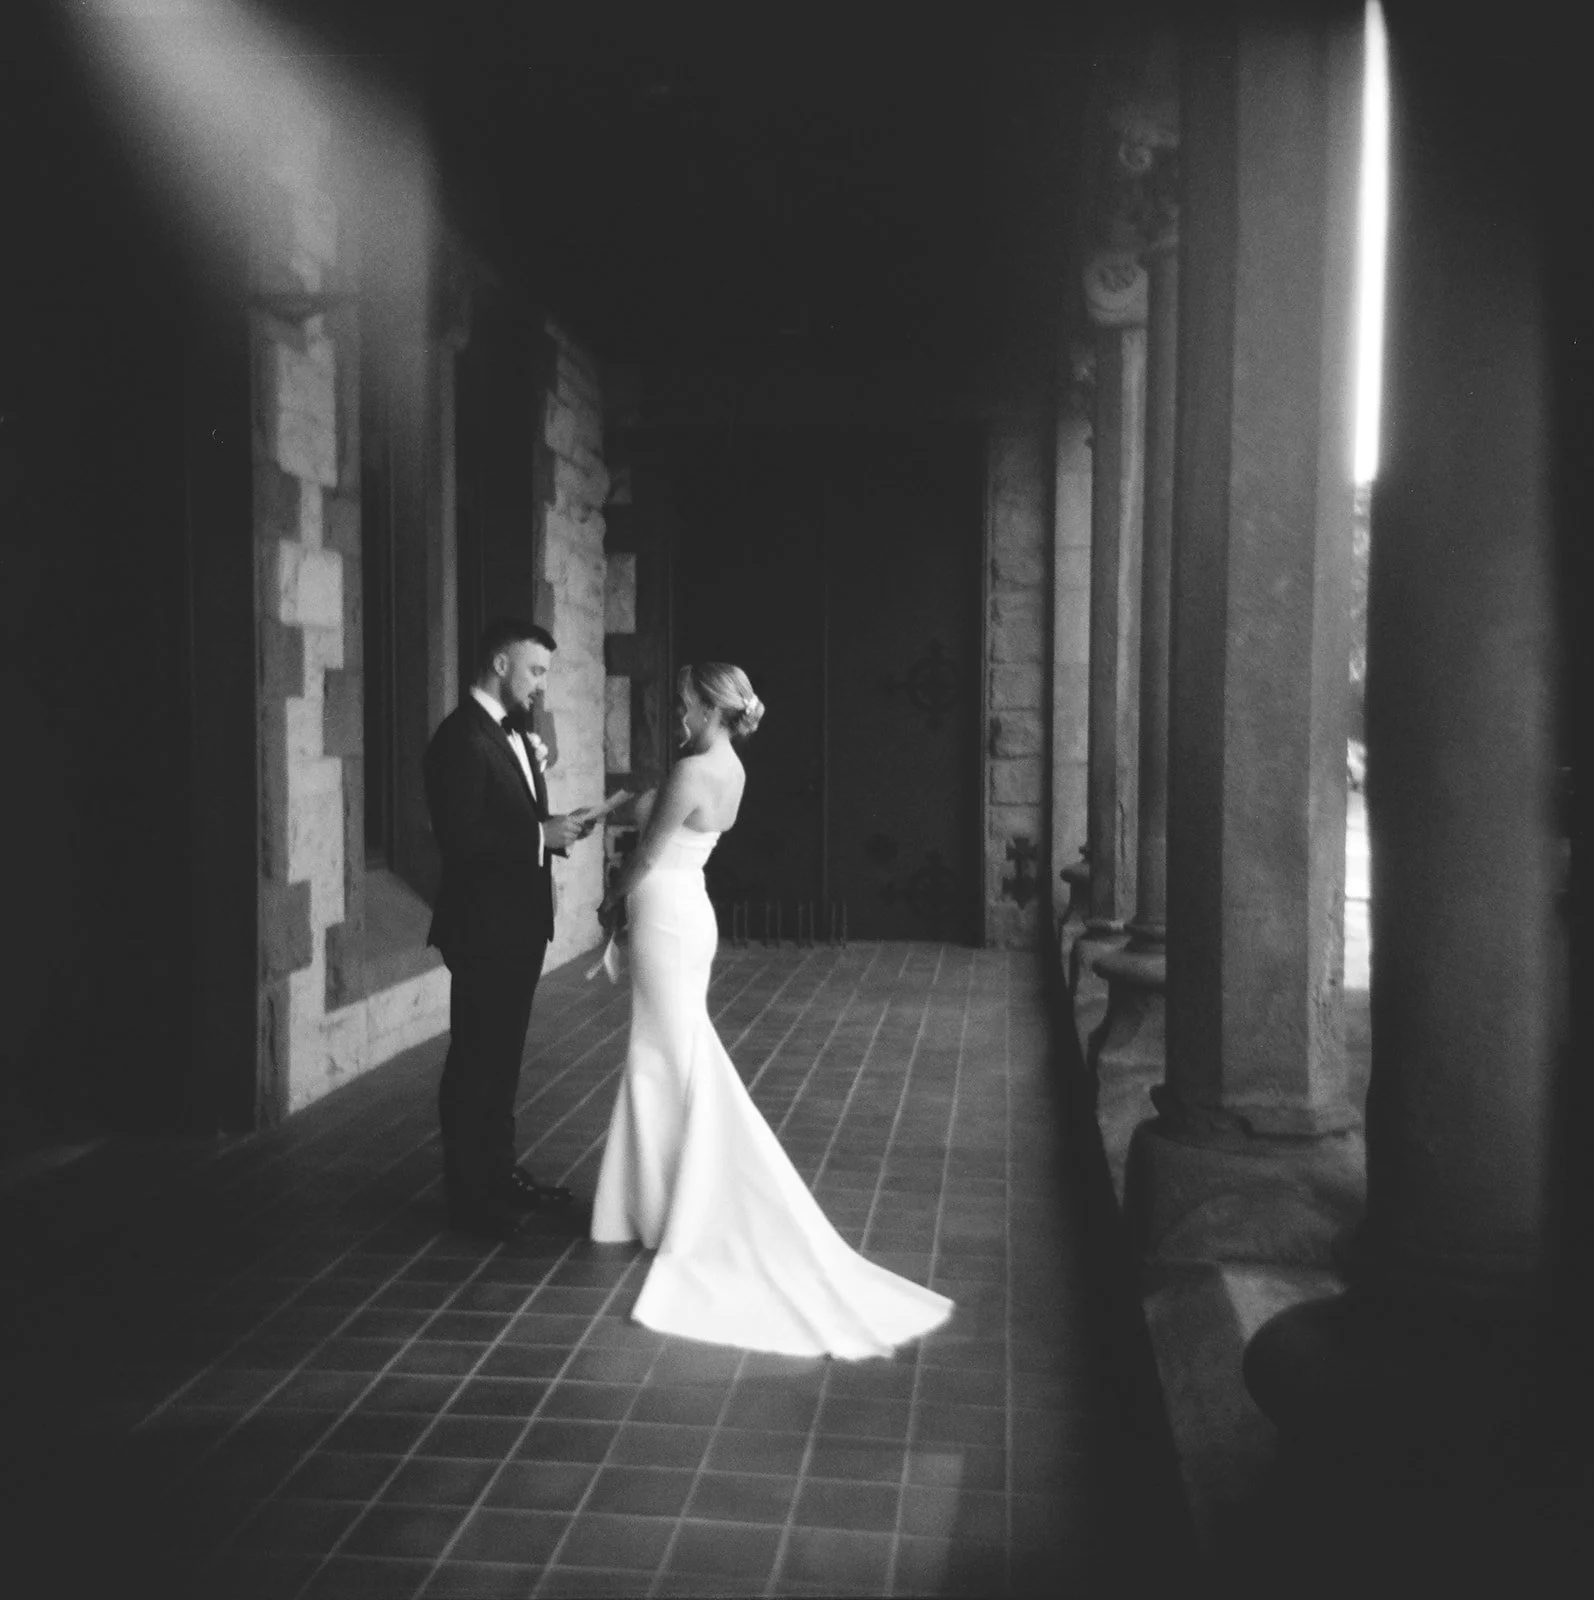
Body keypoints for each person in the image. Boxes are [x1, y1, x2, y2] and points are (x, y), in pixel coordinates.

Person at [591, 662, 953, 1358]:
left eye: (684, 704)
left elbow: (647, 855)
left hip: (665, 912)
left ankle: (678, 1202)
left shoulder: (693, 771)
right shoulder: (727, 768)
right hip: (685, 911)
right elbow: (667, 818)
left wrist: (610, 900)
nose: (677, 714)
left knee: (668, 1054)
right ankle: (652, 1199)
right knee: (666, 1052)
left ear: (709, 708)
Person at [423, 617, 597, 1240]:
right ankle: (469, 1200)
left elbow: (513, 818)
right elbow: (461, 839)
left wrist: (556, 830)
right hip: (482, 928)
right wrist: (536, 835)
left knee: (502, 1061)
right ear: (500, 664)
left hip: (519, 925)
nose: (542, 684)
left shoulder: (515, 731)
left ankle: (499, 1174)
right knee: (475, 1062)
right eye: (536, 670)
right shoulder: (459, 737)